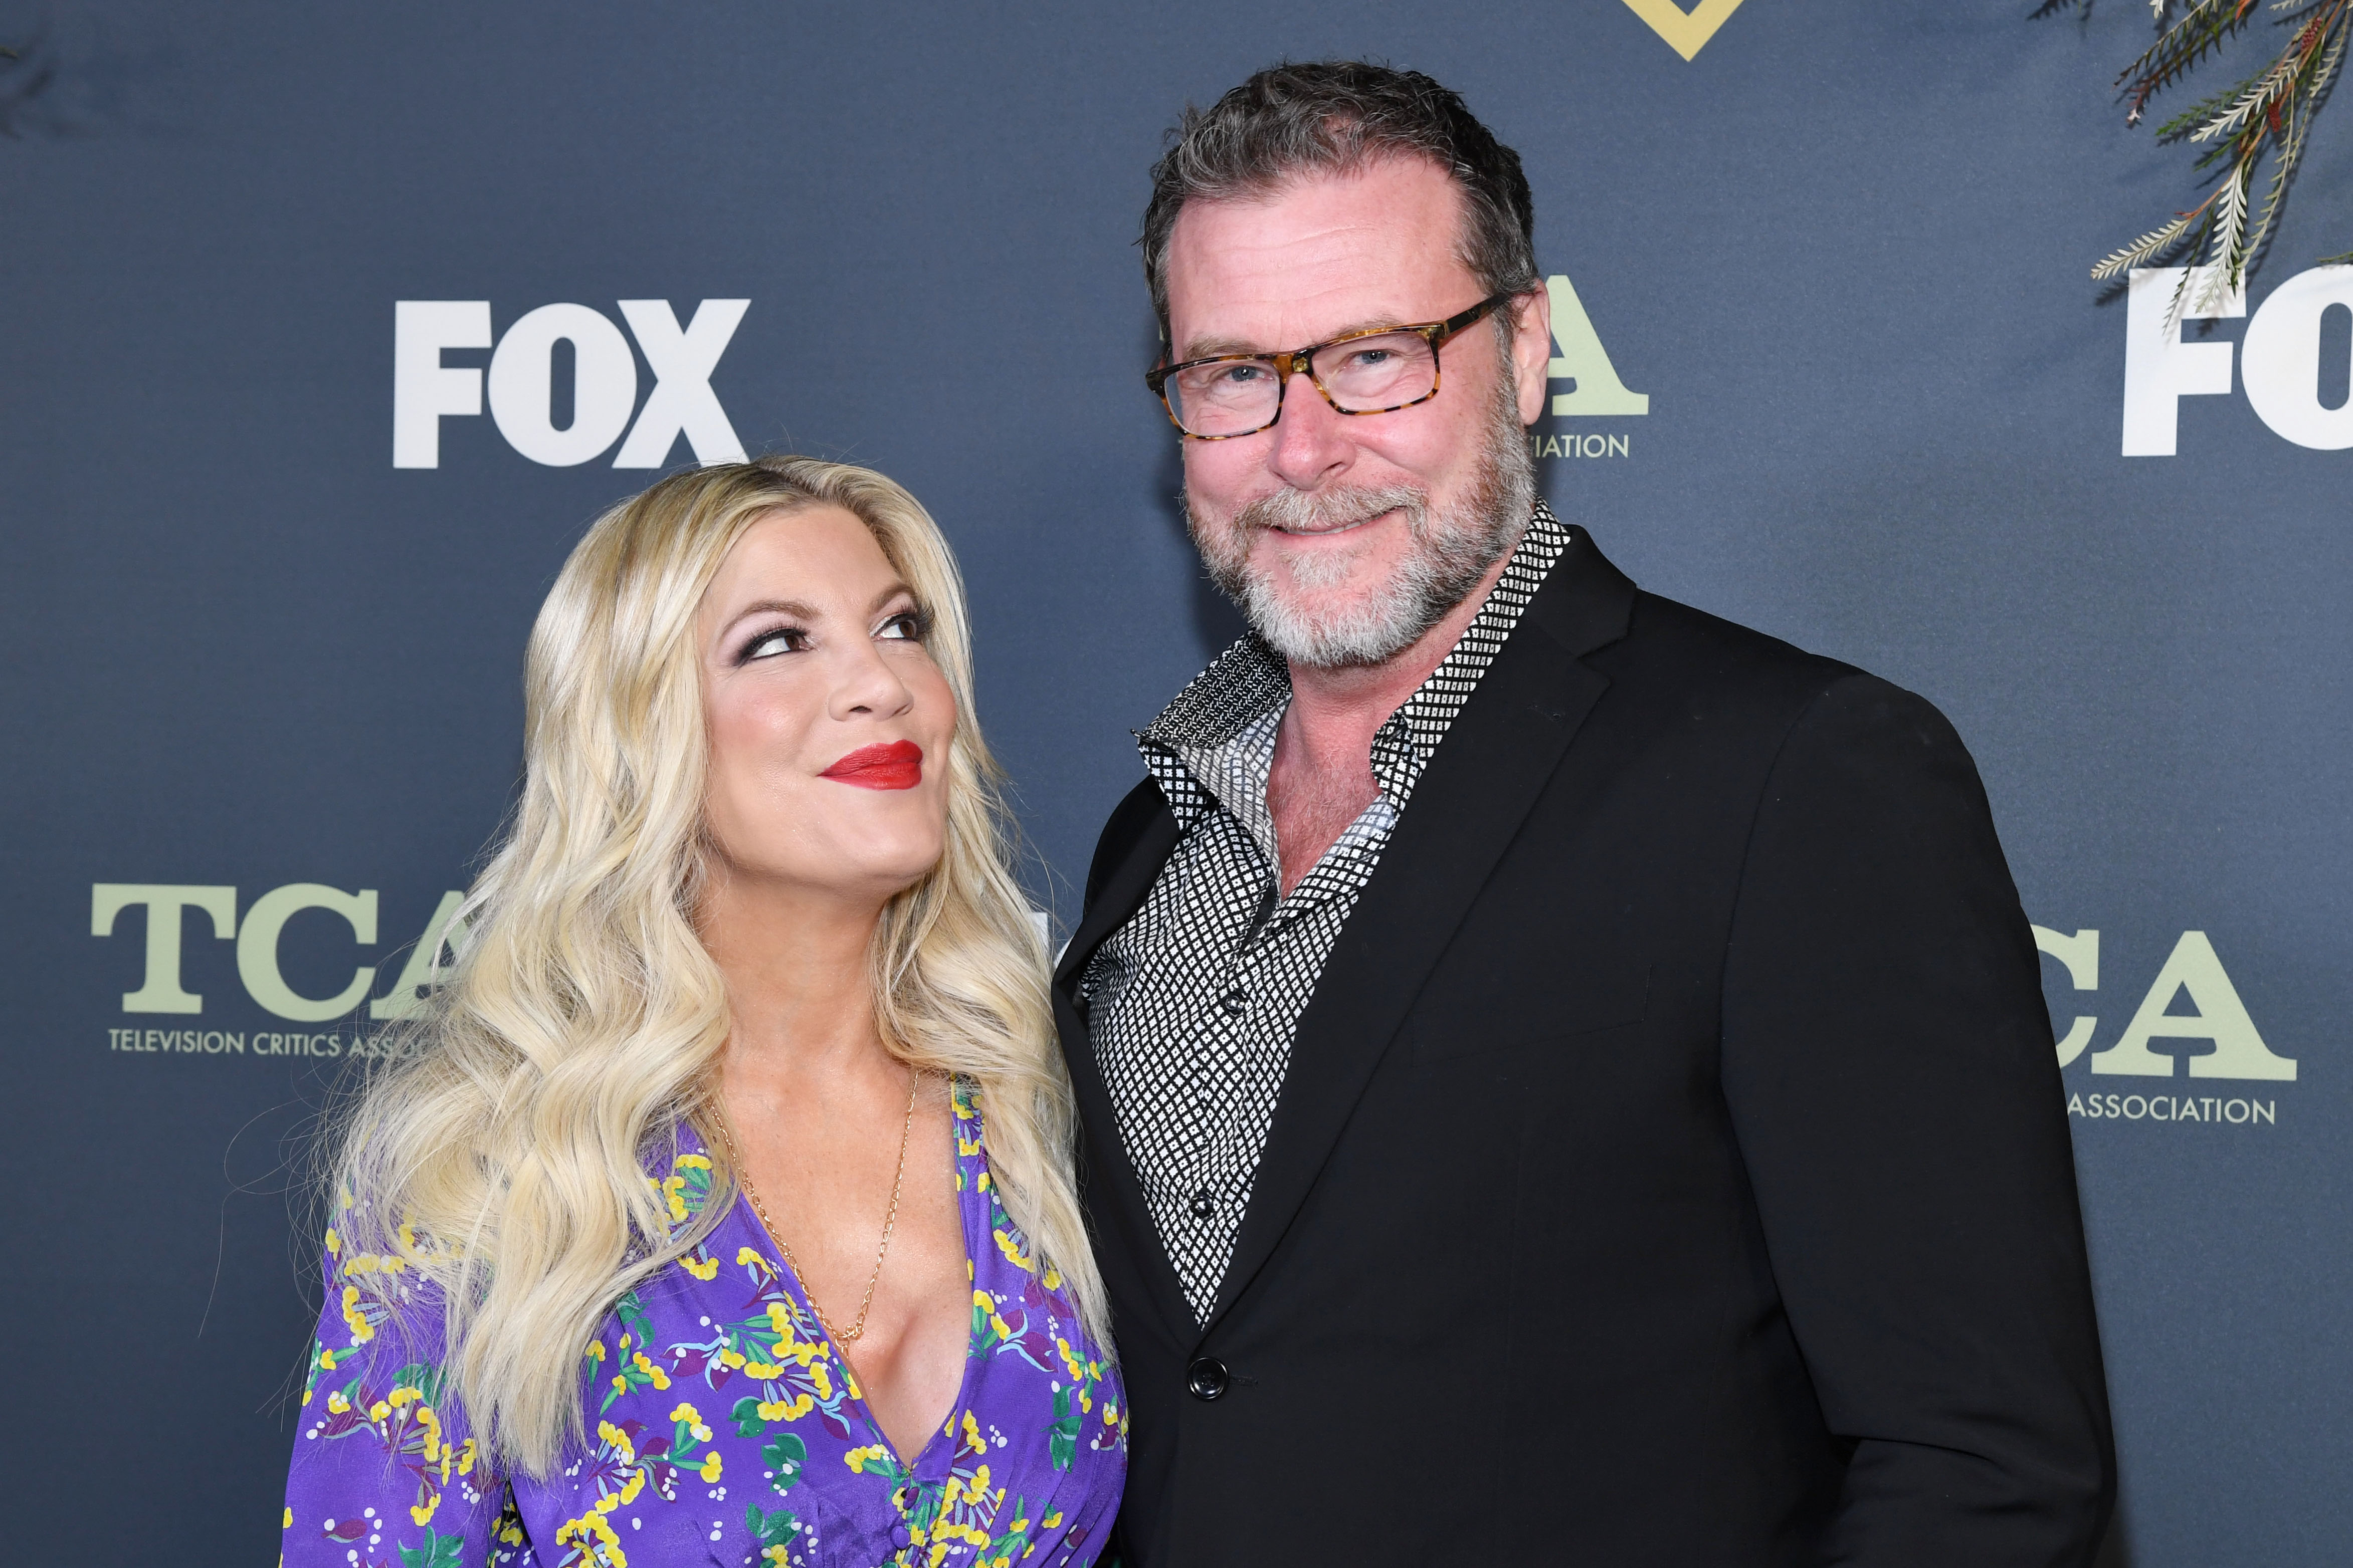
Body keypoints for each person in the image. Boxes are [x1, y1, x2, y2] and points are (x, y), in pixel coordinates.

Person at [1056, 63, 2114, 1566]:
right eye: (1233, 373)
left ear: (1528, 349)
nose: (1301, 448)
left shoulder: (1796, 778)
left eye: (1372, 356)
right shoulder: (1149, 838)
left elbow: (1980, 1467)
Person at [284, 458, 1124, 1567]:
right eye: (778, 640)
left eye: (900, 625)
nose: (880, 682)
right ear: (639, 733)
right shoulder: (490, 1167)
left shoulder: (1053, 1100)